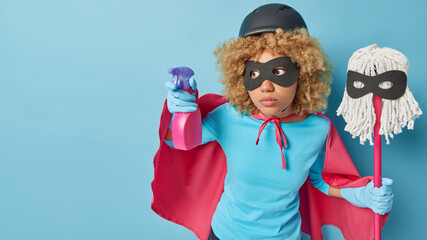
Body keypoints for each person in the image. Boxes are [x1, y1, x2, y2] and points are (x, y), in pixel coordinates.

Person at [152, 4, 394, 240]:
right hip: (226, 234)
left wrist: (359, 194)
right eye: (254, 74)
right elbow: (177, 142)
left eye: (278, 72)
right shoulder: (230, 116)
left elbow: (319, 179)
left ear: (303, 73)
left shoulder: (318, 129)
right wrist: (182, 111)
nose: (265, 86)